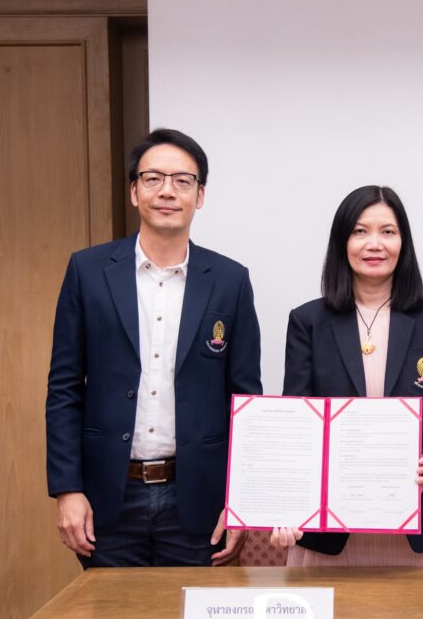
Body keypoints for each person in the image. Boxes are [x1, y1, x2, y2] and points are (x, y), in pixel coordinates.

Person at [46, 128, 262, 567]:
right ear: (134, 191)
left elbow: (246, 401)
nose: (168, 191)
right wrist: (68, 490)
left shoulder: (230, 281)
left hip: (198, 500)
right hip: (108, 499)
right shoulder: (88, 271)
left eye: (183, 181)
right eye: (153, 179)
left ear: (200, 196)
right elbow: (64, 388)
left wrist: (241, 502)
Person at [274, 185, 423, 565]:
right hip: (328, 529)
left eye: (388, 231)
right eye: (359, 231)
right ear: (342, 242)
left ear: (404, 242)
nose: (374, 243)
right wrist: (286, 504)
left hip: (414, 522)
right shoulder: (308, 322)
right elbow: (296, 426)